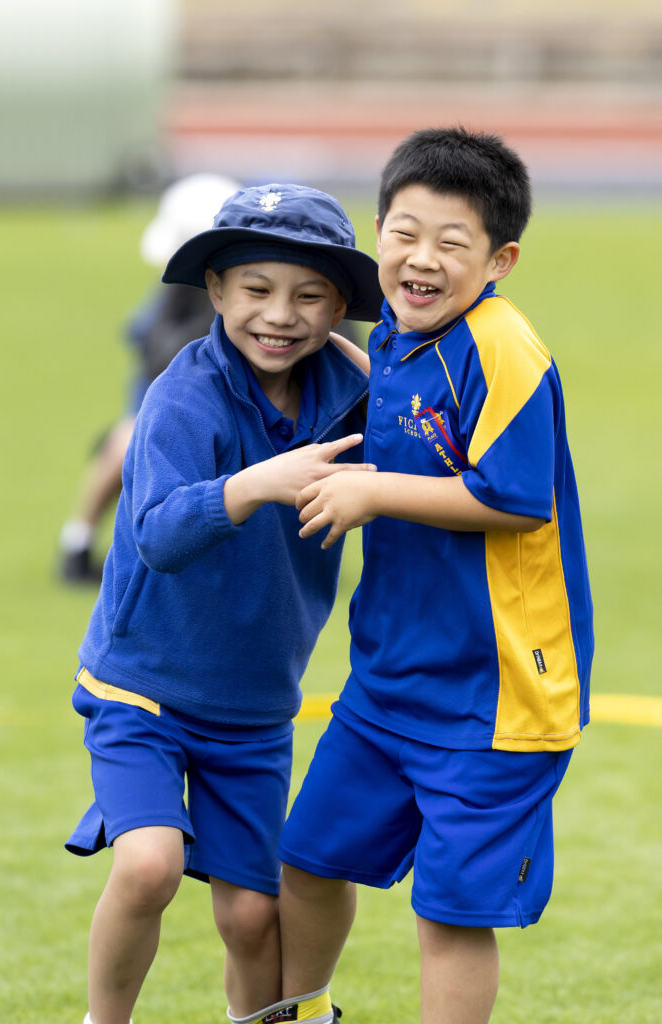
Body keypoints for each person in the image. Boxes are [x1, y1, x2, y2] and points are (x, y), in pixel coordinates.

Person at [275, 128, 595, 1024]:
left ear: (499, 260)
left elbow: (512, 498)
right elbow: (408, 406)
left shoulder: (503, 347)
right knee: (305, 860)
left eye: (450, 244)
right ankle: (303, 1013)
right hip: (388, 678)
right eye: (402, 233)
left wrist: (374, 490)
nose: (420, 260)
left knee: (448, 915)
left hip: (499, 694)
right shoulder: (400, 339)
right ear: (376, 232)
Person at [64, 181, 384, 1024]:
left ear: (340, 305)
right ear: (213, 290)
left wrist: (381, 360)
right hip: (144, 684)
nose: (279, 315)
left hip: (252, 706)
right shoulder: (184, 394)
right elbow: (162, 535)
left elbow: (442, 428)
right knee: (147, 867)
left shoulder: (349, 399)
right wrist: (254, 485)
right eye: (256, 289)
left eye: (309, 295)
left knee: (252, 916)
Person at [58, 173, 241, 583]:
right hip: (163, 395)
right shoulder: (174, 294)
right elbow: (149, 347)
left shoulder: (237, 295)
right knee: (128, 440)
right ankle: (78, 542)